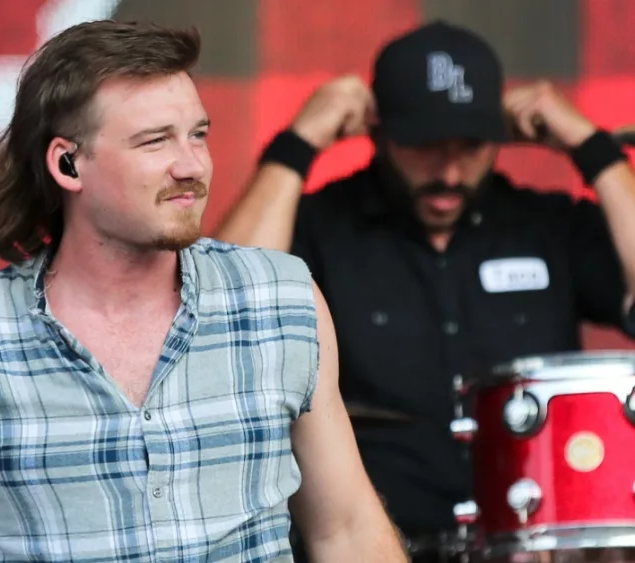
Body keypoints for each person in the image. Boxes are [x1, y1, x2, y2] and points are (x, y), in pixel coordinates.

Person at [0, 19, 408, 563]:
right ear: (67, 163)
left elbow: (347, 531)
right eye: (155, 141)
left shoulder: (283, 300)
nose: (192, 165)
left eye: (198, 134)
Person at [216, 20, 635, 562]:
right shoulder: (322, 224)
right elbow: (226, 315)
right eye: (426, 146)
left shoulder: (547, 224)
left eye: (472, 146)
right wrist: (298, 144)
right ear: (380, 134)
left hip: (535, 551)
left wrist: (595, 150)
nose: (452, 171)